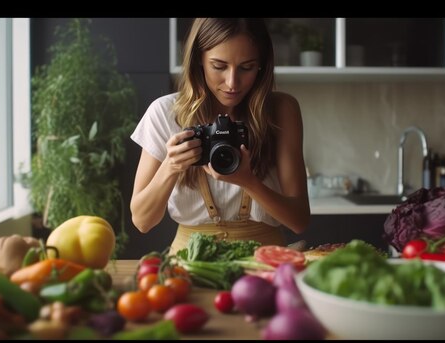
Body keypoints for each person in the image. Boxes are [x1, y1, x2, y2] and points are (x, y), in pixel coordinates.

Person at [130, 18, 310, 254]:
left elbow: (299, 221)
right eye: (219, 66)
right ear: (199, 61)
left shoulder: (281, 110)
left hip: (265, 263)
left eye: (247, 67)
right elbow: (143, 222)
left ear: (262, 66)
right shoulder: (165, 113)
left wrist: (248, 181)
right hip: (189, 261)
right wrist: (171, 166)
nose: (232, 83)